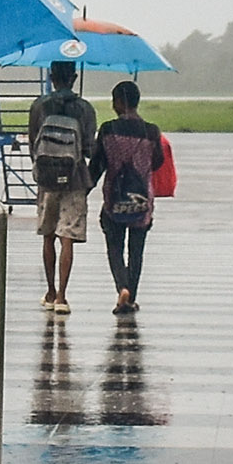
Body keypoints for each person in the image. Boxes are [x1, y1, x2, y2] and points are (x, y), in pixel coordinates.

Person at [23, 57, 101, 316]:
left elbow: (34, 142)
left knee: (48, 235)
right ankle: (63, 297)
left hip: (47, 180)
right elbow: (90, 147)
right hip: (75, 178)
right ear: (74, 78)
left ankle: (49, 291)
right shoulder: (86, 108)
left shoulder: (39, 106)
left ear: (51, 76)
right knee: (67, 237)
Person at [95, 78, 172, 315]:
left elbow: (98, 163)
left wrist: (84, 187)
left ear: (119, 102)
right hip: (142, 199)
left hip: (114, 199)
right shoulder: (151, 131)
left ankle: (122, 288)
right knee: (136, 250)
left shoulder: (108, 129)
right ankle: (131, 296)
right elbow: (158, 160)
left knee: (114, 247)